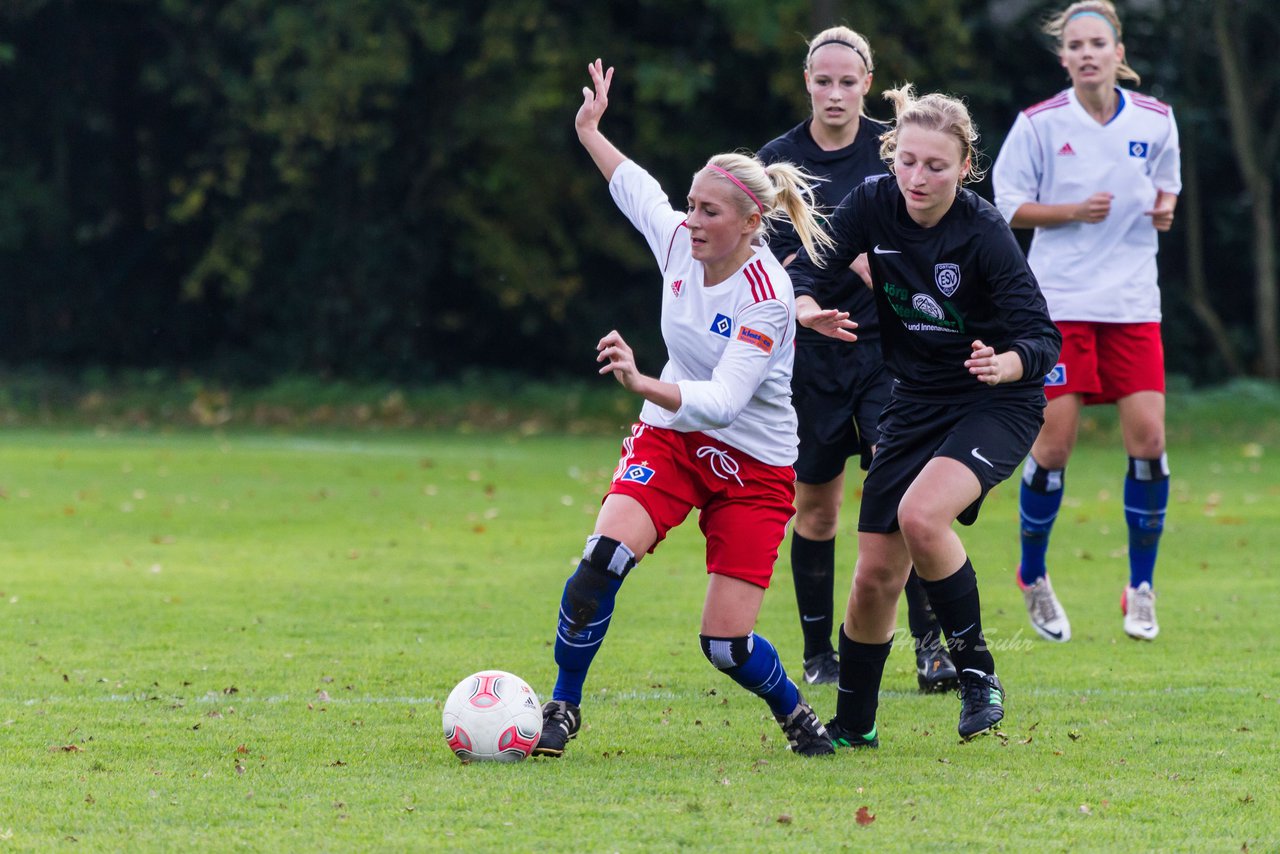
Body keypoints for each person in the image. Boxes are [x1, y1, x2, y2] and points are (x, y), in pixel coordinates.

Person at [534, 59, 843, 759]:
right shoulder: (678, 238)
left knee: (725, 645)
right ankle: (563, 705)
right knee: (600, 562)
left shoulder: (765, 295)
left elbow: (728, 402)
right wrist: (589, 130)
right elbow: (633, 187)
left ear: (749, 222)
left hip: (755, 465)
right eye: (691, 204)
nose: (691, 220)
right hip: (671, 439)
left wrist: (646, 384)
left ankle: (795, 714)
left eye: (709, 211)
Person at [787, 84, 1061, 745]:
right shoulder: (874, 202)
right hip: (915, 399)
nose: (917, 177)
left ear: (965, 166)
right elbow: (813, 266)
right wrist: (804, 309)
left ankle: (978, 675)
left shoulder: (984, 231)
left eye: (935, 166)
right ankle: (854, 726)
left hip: (998, 399)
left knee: (920, 515)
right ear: (892, 156)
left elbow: (1042, 338)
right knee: (875, 572)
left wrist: (1007, 364)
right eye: (906, 161)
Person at [758, 26, 957, 693]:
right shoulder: (778, 160)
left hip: (886, 353)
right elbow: (774, 263)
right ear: (807, 82)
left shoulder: (893, 151)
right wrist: (836, 271)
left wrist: (891, 276)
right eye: (824, 80)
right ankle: (820, 653)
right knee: (815, 510)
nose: (835, 93)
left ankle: (933, 647)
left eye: (848, 81)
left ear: (867, 82)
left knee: (903, 498)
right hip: (810, 355)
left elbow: (916, 239)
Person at [992, 0, 1181, 643]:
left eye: (1098, 42)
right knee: (1052, 448)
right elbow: (1007, 205)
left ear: (1117, 51)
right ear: (1065, 56)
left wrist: (1164, 209)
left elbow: (1167, 185)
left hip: (1132, 305)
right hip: (1061, 304)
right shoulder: (1041, 124)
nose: (1088, 53)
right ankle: (1033, 575)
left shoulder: (1156, 120)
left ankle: (1142, 586)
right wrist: (1071, 211)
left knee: (1150, 444)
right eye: (1076, 45)